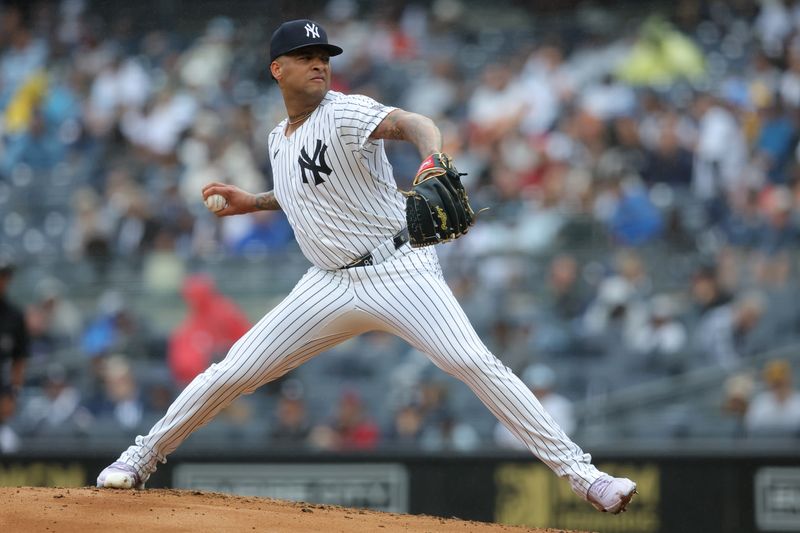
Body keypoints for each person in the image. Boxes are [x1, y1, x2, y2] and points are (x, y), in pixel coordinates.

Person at [96, 19, 636, 514]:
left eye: (324, 54)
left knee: (472, 362)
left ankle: (584, 474)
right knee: (233, 371)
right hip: (327, 284)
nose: (319, 63)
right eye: (306, 55)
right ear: (276, 69)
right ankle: (141, 458)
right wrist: (253, 201)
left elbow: (413, 122)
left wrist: (431, 158)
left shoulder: (346, 110)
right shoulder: (275, 139)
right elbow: (308, 192)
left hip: (399, 269)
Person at [0, 258, 30, 453]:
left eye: (5, 276)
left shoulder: (14, 316)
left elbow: (19, 359)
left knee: (10, 447)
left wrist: (13, 392)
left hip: (1, 388)